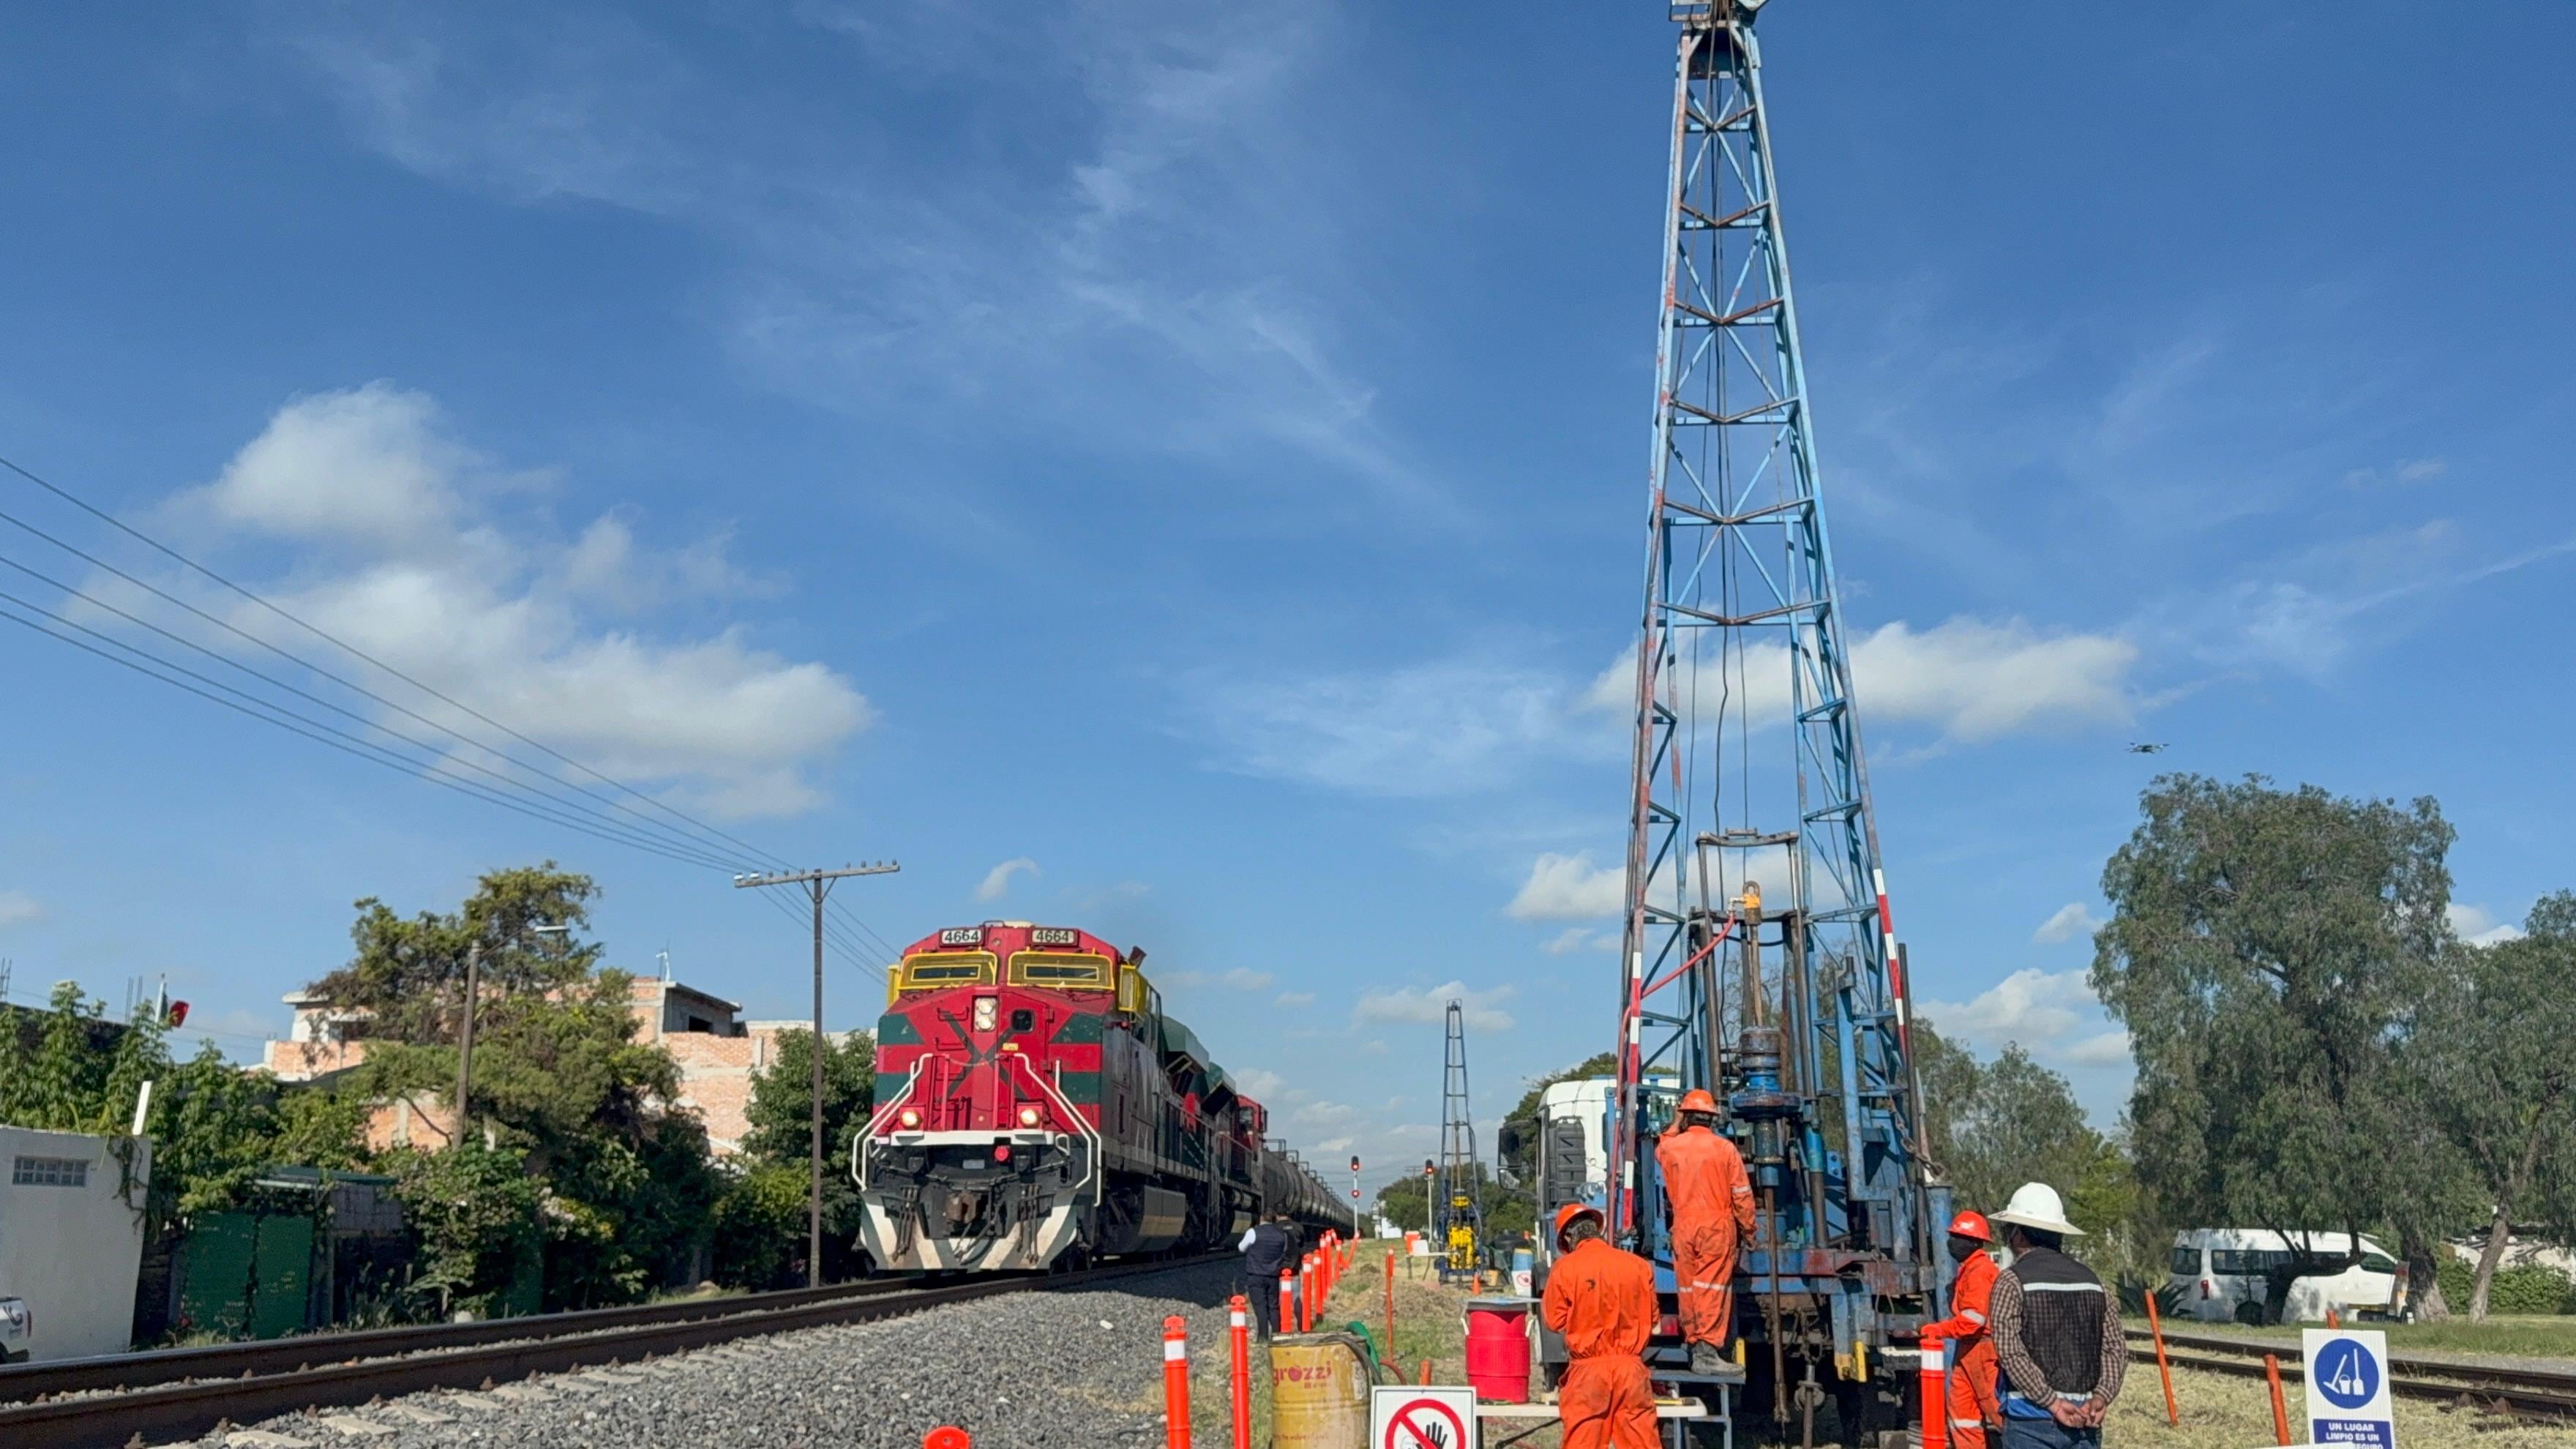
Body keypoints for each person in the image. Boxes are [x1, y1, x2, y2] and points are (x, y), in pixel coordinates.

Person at [1984, 1183, 2124, 1448]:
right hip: (2085, 1419)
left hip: (2030, 1422)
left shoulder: (2011, 1282)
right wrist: (2102, 1396)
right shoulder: (2095, 1283)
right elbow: (2115, 1348)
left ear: (2018, 1235)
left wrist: (2051, 1402)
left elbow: (2010, 1352)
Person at [1540, 1203, 1660, 1449]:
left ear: (1569, 1237)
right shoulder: (1638, 1266)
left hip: (1588, 1374)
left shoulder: (1565, 1268)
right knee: (1642, 1441)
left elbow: (1554, 1321)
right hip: (1631, 1372)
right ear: (1597, 1229)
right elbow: (1654, 1323)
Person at [1654, 1086, 1756, 1373]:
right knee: (1712, 1288)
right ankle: (1707, 1352)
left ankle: (1694, 1344)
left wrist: (1676, 1121)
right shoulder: (1724, 1149)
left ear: (1686, 1116)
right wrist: (1750, 1230)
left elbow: (1662, 1145)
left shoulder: (1671, 1148)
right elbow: (1742, 1195)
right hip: (1715, 1226)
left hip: (1683, 1227)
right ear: (1712, 1118)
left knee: (1688, 1288)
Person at [1917, 1210, 2002, 1449]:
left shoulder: (1980, 1271)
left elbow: (1973, 1321)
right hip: (1968, 1349)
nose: (1953, 1242)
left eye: (1960, 1237)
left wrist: (1940, 1329)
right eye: (1953, 1236)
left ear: (1976, 1242)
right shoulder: (1968, 1269)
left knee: (1997, 1410)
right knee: (1962, 1412)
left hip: (1983, 1350)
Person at [1239, 1211, 1297, 1340]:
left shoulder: (1253, 1232)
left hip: (1256, 1275)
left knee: (1261, 1307)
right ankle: (1277, 1334)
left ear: (1261, 1218)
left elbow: (1241, 1248)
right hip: (1273, 1276)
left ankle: (1263, 1336)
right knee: (1273, 1306)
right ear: (1274, 1220)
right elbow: (1285, 1251)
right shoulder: (1282, 1235)